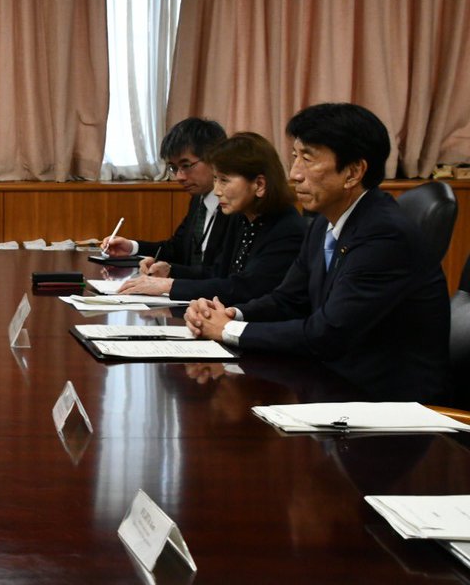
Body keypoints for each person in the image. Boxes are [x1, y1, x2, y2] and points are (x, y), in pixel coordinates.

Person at [185, 103, 450, 402]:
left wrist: (229, 330)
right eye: (295, 157)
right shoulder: (323, 222)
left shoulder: (385, 235)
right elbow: (288, 300)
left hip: (387, 407)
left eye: (308, 159)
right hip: (334, 387)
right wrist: (232, 313)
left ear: (353, 172)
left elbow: (327, 334)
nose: (295, 173)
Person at [119, 132, 306, 303]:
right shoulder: (242, 219)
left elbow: (247, 288)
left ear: (259, 184)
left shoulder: (287, 229)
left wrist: (169, 286)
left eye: (224, 180)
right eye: (215, 179)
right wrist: (170, 271)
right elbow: (217, 274)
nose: (217, 191)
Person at [102, 118, 235, 271]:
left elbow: (222, 273)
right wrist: (132, 247)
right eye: (173, 168)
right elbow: (176, 249)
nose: (179, 176)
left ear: (214, 159)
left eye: (186, 166)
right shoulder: (198, 200)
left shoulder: (234, 206)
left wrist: (170, 275)